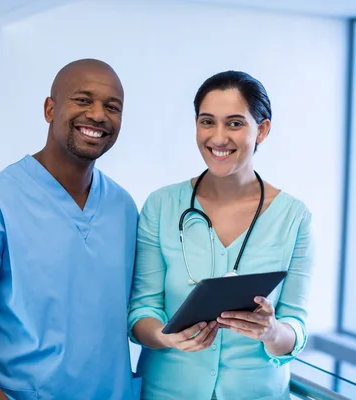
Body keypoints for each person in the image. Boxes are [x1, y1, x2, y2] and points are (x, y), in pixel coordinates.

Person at [0, 59, 141, 400]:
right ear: (50, 109)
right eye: (83, 100)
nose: (98, 115)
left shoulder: (123, 207)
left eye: (112, 107)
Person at [127, 70, 313, 399]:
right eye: (207, 121)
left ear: (263, 130)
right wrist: (167, 336)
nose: (218, 137)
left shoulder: (294, 218)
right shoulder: (161, 206)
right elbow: (142, 311)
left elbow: (295, 326)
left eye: (235, 123)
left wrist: (271, 331)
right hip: (169, 390)